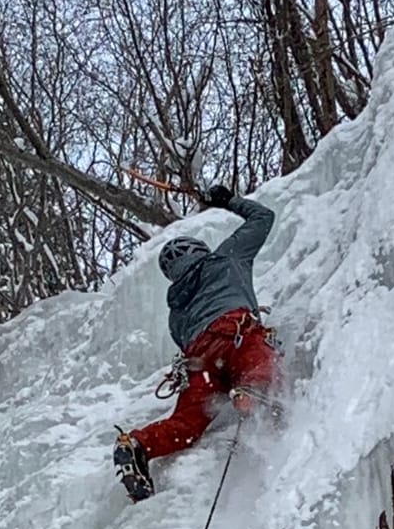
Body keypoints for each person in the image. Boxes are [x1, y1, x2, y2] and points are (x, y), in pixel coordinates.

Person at [113, 186, 278, 501]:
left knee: (187, 424)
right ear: (200, 251)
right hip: (236, 335)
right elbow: (263, 217)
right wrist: (227, 200)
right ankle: (251, 390)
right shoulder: (226, 258)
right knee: (257, 359)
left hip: (199, 364)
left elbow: (187, 345)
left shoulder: (177, 312)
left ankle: (138, 444)